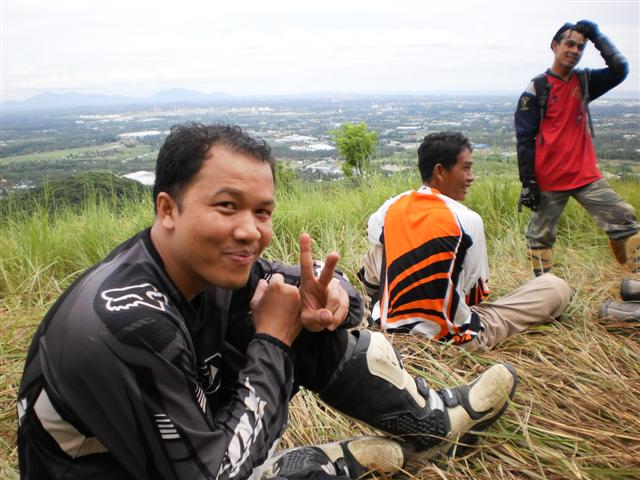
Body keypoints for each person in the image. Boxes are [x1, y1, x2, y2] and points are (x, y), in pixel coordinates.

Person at [17, 123, 518, 479]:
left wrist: (335, 301)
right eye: (226, 206)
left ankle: (435, 426)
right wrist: (273, 341)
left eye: (262, 212)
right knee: (279, 332)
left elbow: (318, 290)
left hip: (184, 448)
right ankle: (303, 470)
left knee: (310, 326)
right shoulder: (123, 323)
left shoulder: (209, 266)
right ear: (168, 209)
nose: (249, 231)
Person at [359, 132, 571, 351]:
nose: (471, 177)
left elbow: (373, 245)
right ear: (440, 171)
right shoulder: (467, 220)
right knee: (554, 287)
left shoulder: (393, 206)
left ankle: (379, 303)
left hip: (389, 328)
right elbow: (474, 295)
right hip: (453, 340)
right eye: (466, 168)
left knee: (379, 248)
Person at [514, 20, 639, 275]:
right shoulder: (537, 88)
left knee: (624, 219)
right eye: (569, 44)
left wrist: (597, 37)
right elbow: (524, 139)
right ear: (555, 46)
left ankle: (634, 277)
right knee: (539, 237)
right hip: (549, 178)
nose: (574, 50)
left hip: (585, 176)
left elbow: (620, 70)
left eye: (580, 47)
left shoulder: (584, 81)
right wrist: (528, 182)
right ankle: (544, 288)